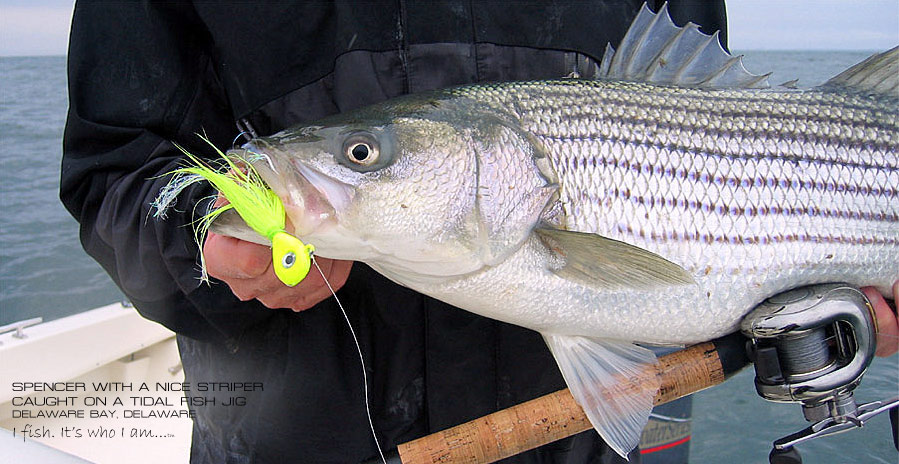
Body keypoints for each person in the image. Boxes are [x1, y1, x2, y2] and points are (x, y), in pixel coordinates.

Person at [60, 2, 897, 463]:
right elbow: (117, 168)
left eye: (361, 154)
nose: (344, 163)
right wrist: (199, 242)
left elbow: (726, 119)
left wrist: (837, 309)